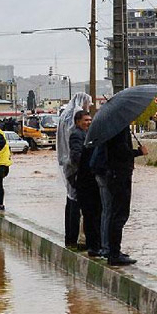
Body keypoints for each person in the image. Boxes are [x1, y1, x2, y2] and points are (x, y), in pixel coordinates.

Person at [91, 126, 145, 266]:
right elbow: (121, 152)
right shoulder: (119, 129)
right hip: (119, 175)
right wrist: (139, 152)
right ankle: (114, 253)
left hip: (115, 174)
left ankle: (113, 251)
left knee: (115, 213)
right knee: (119, 214)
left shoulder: (113, 127)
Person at [57, 93, 93, 249]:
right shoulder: (75, 121)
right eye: (88, 104)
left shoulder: (65, 116)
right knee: (78, 205)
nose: (89, 107)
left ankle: (70, 238)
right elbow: (77, 151)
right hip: (76, 169)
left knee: (71, 201)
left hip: (67, 165)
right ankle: (77, 238)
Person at [68, 109, 102, 255]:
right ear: (78, 122)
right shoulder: (77, 135)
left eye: (90, 120)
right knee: (90, 214)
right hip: (85, 180)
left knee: (93, 213)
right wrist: (92, 161)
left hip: (89, 179)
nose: (88, 122)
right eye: (86, 120)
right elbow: (76, 157)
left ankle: (94, 244)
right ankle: (92, 245)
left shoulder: (87, 134)